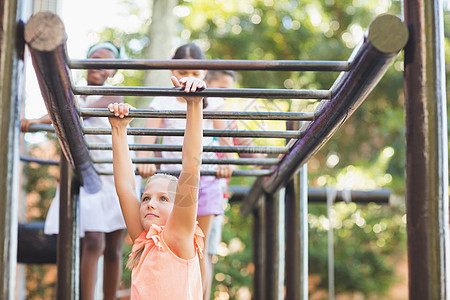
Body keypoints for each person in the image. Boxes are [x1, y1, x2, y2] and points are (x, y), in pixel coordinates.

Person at [21, 41, 138, 300]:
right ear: (85, 61)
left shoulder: (112, 94)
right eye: (94, 58)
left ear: (113, 72)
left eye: (107, 63)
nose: (98, 65)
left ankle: (108, 297)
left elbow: (76, 112)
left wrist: (40, 120)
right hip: (89, 177)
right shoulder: (72, 93)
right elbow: (62, 108)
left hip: (115, 174)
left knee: (114, 246)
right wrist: (34, 121)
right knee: (94, 240)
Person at [136, 43, 235, 299]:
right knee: (173, 242)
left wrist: (227, 161)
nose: (187, 78)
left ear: (204, 72)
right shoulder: (162, 101)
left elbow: (226, 141)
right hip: (171, 183)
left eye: (194, 72)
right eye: (181, 71)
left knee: (200, 247)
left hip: (208, 180)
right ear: (172, 69)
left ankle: (200, 296)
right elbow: (147, 140)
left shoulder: (213, 101)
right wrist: (145, 160)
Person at [107, 75, 206, 299]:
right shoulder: (144, 241)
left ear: (179, 205)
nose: (150, 204)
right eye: (146, 198)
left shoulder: (179, 237)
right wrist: (119, 129)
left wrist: (194, 104)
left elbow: (191, 168)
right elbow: (125, 188)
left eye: (163, 199)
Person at [204, 70, 267, 298]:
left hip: (214, 190)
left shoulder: (227, 117)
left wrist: (265, 162)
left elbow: (245, 147)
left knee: (206, 252)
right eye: (220, 89)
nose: (224, 95)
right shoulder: (194, 109)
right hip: (188, 187)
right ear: (205, 83)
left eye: (228, 91)